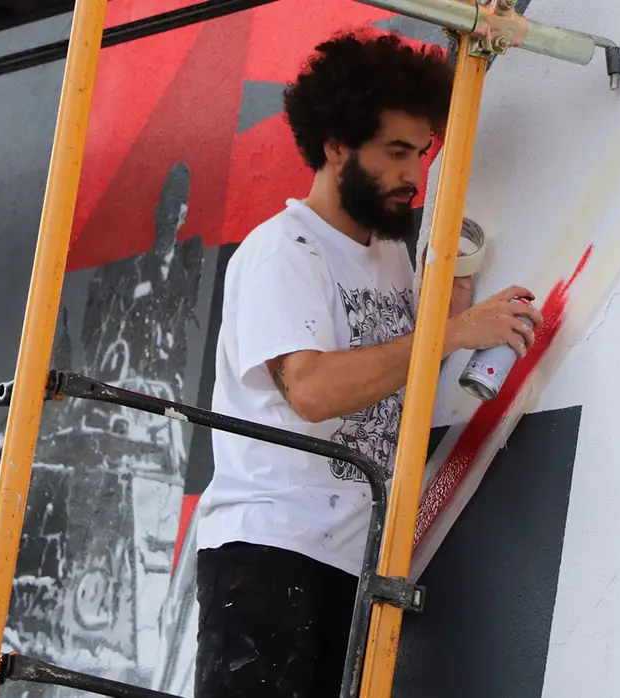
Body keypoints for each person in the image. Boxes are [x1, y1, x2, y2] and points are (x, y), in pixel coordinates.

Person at [191, 29, 544, 697]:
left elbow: (389, 380)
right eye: (396, 153)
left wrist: (447, 325)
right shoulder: (285, 252)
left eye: (422, 152)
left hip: (353, 561)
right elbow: (314, 391)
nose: (415, 175)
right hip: (272, 553)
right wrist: (448, 332)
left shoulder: (387, 257)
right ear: (335, 146)